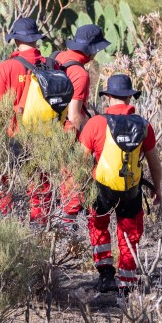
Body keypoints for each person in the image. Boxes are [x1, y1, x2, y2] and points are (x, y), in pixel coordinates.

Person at [80, 74, 162, 294]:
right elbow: (154, 164)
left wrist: (77, 190)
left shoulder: (96, 123)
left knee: (98, 227)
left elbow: (79, 160)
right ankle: (126, 283)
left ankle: (106, 274)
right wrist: (158, 190)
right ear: (130, 98)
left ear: (108, 97)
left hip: (101, 189)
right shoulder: (144, 126)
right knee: (129, 234)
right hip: (131, 190)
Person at [0, 16, 52, 222]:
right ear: (36, 40)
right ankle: (41, 233)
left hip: (11, 136)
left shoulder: (6, 68)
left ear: (15, 40)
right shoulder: (50, 66)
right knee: (40, 188)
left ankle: (5, 227)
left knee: (3, 185)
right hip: (44, 137)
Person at [53, 24, 111, 225]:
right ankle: (65, 229)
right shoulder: (80, 74)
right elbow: (74, 115)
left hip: (49, 129)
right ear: (91, 49)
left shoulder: (59, 57)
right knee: (73, 183)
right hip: (68, 134)